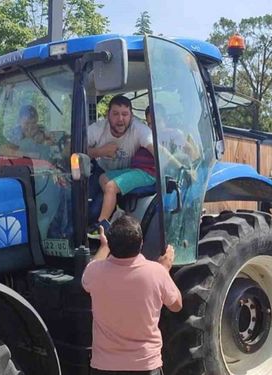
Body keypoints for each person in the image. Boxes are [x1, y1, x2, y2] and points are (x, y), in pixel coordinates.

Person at [82, 215, 182, 374]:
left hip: (104, 367)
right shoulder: (156, 273)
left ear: (111, 243)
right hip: (145, 366)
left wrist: (104, 247)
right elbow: (177, 305)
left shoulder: (94, 272)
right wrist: (165, 270)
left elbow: (92, 265)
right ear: (141, 244)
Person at [87, 96, 154, 227]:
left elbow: (155, 150)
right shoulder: (98, 128)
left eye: (125, 114)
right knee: (82, 207)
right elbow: (72, 150)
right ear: (108, 115)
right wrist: (100, 151)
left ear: (132, 116)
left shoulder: (140, 130)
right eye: (115, 114)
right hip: (101, 170)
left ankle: (103, 227)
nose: (120, 119)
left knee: (96, 209)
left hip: (127, 172)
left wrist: (168, 169)